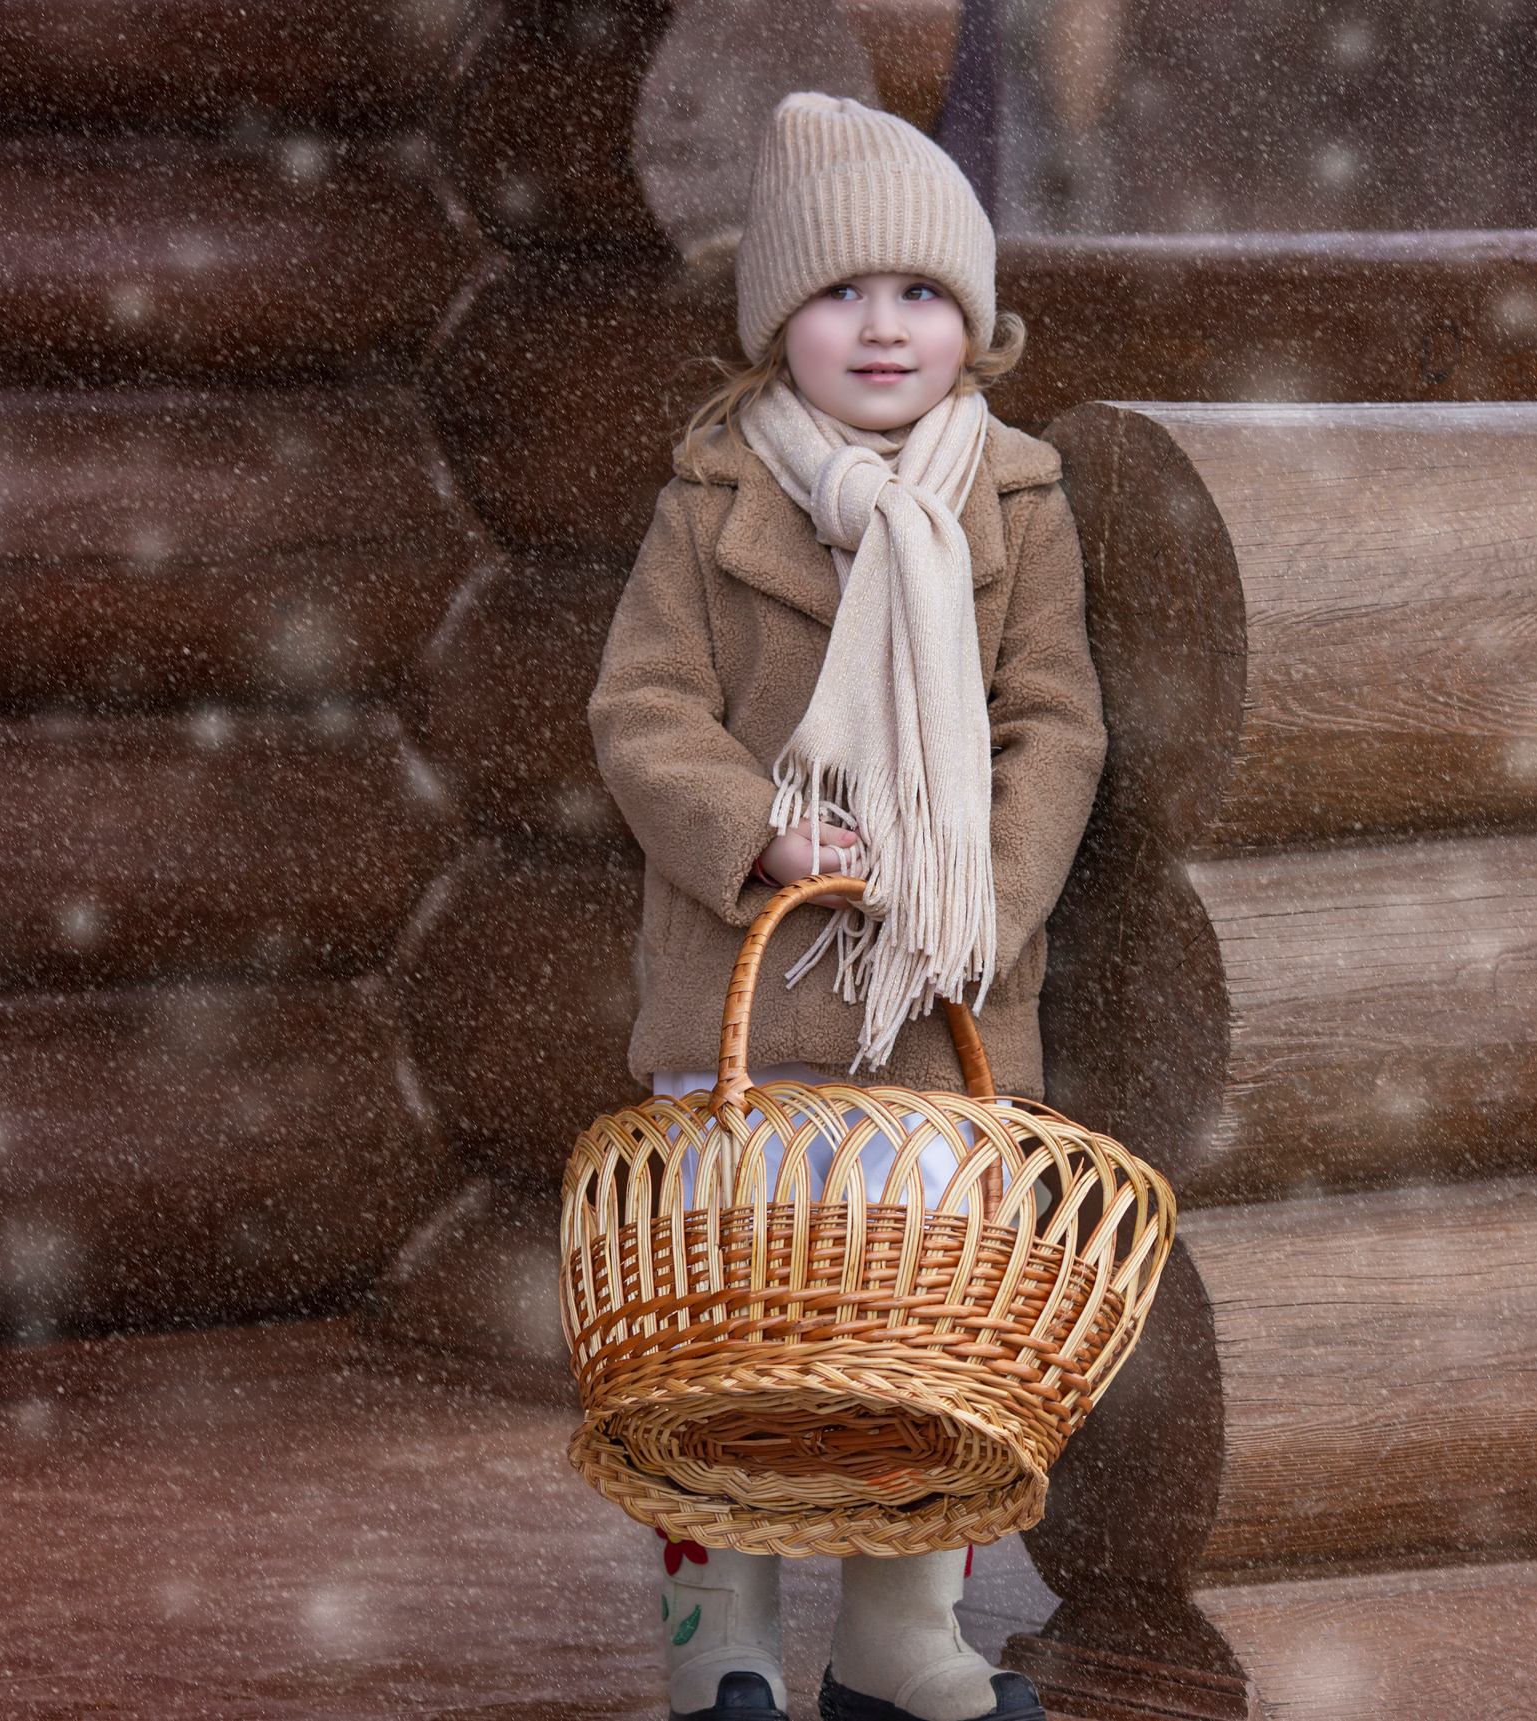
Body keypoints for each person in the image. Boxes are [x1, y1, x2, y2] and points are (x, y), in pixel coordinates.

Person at [587, 92, 1106, 1721]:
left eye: (925, 294)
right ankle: (716, 1636)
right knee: (730, 1334)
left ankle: (897, 1634)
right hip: (750, 995)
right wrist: (759, 830)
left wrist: (980, 893)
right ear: (775, 326)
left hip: (938, 999)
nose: (886, 327)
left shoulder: (1011, 501)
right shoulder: (710, 498)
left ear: (978, 321)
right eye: (842, 294)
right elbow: (643, 710)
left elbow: (1053, 723)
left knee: (917, 1332)